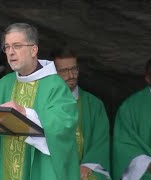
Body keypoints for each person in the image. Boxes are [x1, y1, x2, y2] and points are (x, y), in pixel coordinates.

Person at [0, 23, 80, 180]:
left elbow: (63, 126)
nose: (11, 52)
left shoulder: (55, 85)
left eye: (17, 46)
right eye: (7, 47)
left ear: (34, 50)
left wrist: (24, 113)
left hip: (40, 170)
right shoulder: (4, 84)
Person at [51, 48, 110, 180]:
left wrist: (88, 165)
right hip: (54, 168)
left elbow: (101, 140)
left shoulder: (94, 104)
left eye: (74, 69)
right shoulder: (46, 103)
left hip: (86, 169)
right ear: (53, 73)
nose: (71, 75)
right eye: (64, 71)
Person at [113, 56, 151, 180]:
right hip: (149, 170)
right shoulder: (130, 107)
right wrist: (149, 163)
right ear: (148, 78)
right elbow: (124, 144)